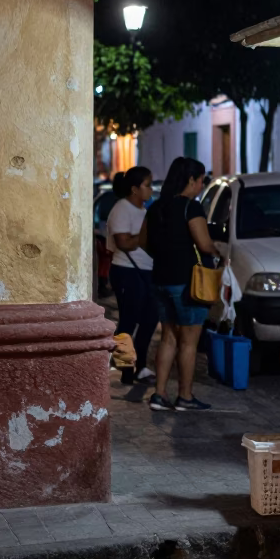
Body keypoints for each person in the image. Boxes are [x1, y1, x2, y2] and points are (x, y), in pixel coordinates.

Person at [140, 157, 218, 411]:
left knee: (168, 338)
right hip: (187, 284)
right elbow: (204, 244)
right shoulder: (191, 208)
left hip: (160, 278)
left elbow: (143, 241)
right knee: (188, 342)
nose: (201, 185)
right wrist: (220, 253)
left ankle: (159, 394)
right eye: (201, 180)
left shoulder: (156, 208)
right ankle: (185, 396)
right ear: (191, 180)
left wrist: (163, 255)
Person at [107, 166, 158, 386]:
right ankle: (126, 370)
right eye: (147, 185)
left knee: (149, 320)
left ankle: (140, 366)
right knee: (128, 321)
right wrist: (146, 235)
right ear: (135, 189)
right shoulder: (122, 209)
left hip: (147, 271)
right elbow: (123, 243)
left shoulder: (144, 211)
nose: (151, 189)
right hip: (127, 270)